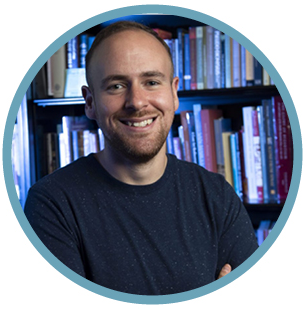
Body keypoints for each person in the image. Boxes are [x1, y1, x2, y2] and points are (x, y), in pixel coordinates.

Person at [24, 20, 258, 295]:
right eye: (116, 86)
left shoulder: (216, 194)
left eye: (151, 82)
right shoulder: (52, 204)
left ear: (173, 93)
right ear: (90, 101)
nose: (136, 101)